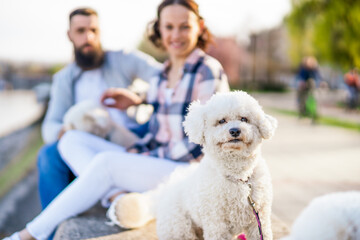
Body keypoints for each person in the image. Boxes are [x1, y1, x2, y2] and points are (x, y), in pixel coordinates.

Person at [3, 0, 229, 239]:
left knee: (106, 163)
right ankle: (119, 199)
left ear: (199, 26)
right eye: (169, 27)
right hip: (157, 161)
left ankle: (27, 235)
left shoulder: (207, 70)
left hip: (188, 172)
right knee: (71, 140)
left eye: (184, 27)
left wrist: (141, 154)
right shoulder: (163, 74)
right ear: (159, 29)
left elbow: (206, 142)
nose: (176, 35)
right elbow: (160, 107)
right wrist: (137, 99)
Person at [37, 7, 161, 209]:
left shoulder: (124, 58)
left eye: (94, 30)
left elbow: (166, 78)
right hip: (89, 143)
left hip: (132, 134)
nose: (88, 37)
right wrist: (67, 130)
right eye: (81, 31)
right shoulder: (63, 79)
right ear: (70, 35)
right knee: (48, 155)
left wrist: (138, 97)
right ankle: (54, 231)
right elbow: (50, 125)